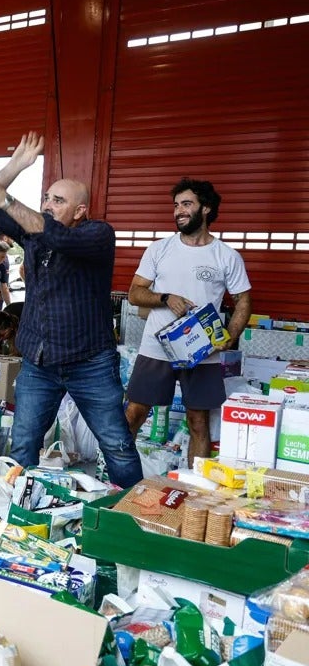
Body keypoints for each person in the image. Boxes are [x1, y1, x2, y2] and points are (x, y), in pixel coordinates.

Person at [0, 131, 142, 489]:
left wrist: (7, 200)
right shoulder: (33, 234)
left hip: (89, 362)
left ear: (80, 211)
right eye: (46, 198)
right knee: (23, 446)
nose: (48, 205)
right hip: (38, 361)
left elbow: (57, 237)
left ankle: (130, 514)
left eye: (58, 200)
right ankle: (15, 509)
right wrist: (17, 164)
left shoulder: (98, 235)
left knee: (118, 446)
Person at [124, 178, 251, 466]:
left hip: (202, 350)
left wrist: (229, 336)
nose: (178, 211)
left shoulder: (226, 256)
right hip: (157, 347)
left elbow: (244, 299)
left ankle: (195, 490)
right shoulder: (159, 249)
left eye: (186, 204)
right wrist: (165, 297)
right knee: (134, 413)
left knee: (198, 420)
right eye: (176, 205)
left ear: (205, 208)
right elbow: (134, 293)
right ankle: (118, 479)